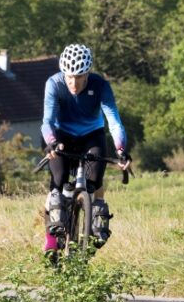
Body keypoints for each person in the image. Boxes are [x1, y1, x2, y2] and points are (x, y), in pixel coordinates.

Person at [40, 43, 130, 258]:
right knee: (58, 181)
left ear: (87, 73)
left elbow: (114, 122)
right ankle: (52, 239)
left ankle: (96, 222)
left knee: (95, 179)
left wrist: (121, 150)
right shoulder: (54, 84)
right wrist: (51, 142)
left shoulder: (100, 86)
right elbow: (47, 121)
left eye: (79, 77)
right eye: (69, 76)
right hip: (60, 136)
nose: (74, 82)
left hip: (91, 135)